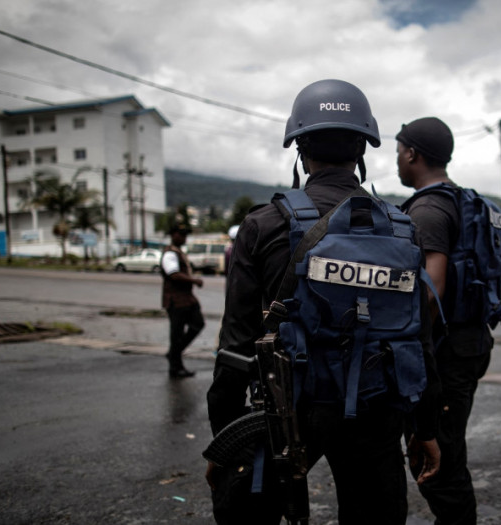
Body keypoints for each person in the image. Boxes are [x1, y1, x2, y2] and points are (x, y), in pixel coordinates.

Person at [205, 79, 440, 525]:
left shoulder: (263, 225)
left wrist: (227, 440)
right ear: (362, 149)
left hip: (287, 408)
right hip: (376, 410)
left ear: (300, 147)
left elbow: (234, 347)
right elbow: (420, 340)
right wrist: (425, 429)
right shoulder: (403, 229)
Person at [396, 116, 492, 525]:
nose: (397, 159)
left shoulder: (429, 209)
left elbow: (430, 293)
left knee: (436, 464)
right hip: (470, 341)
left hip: (444, 353)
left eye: (399, 151)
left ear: (413, 154)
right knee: (448, 453)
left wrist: (412, 360)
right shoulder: (461, 200)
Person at [160, 222, 205, 378]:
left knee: (198, 324)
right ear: (173, 235)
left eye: (185, 234)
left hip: (186, 298)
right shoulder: (170, 253)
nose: (184, 237)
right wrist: (194, 280)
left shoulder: (178, 252)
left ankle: (174, 353)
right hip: (175, 299)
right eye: (181, 234)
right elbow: (174, 274)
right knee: (177, 333)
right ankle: (175, 366)